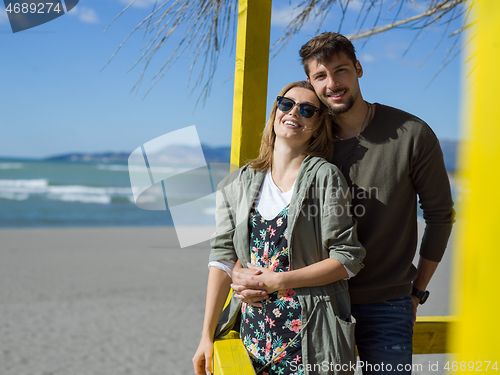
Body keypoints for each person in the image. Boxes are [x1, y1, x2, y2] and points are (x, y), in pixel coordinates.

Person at [231, 33, 455, 374]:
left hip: (386, 303)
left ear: (359, 69)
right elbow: (263, 217)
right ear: (310, 82)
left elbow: (440, 218)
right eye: (321, 76)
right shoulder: (307, 137)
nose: (332, 83)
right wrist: (247, 276)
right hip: (315, 301)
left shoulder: (411, 134)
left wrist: (417, 291)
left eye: (341, 71)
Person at [192, 81, 365, 375]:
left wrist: (279, 281)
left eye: (307, 110)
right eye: (286, 104)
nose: (294, 112)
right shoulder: (238, 183)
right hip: (253, 339)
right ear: (275, 113)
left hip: (311, 339)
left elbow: (348, 259)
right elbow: (221, 259)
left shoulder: (325, 177)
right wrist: (206, 336)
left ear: (317, 125)